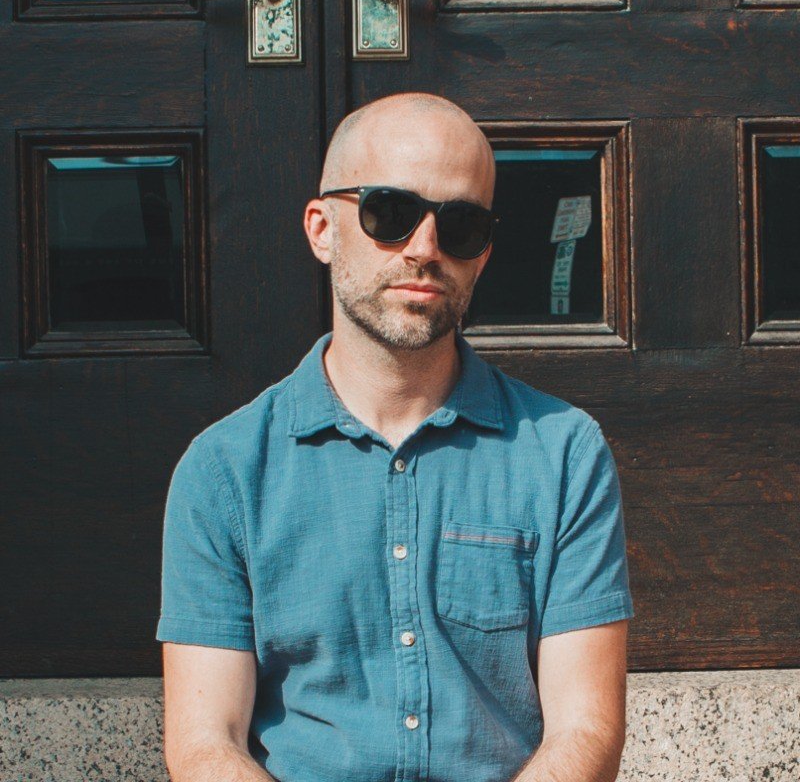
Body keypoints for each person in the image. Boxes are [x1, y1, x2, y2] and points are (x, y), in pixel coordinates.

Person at [156, 92, 635, 782]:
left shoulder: (563, 454)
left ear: (484, 254)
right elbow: (206, 744)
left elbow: (587, 729)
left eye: (461, 224)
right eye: (390, 212)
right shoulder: (224, 471)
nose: (425, 248)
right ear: (322, 229)